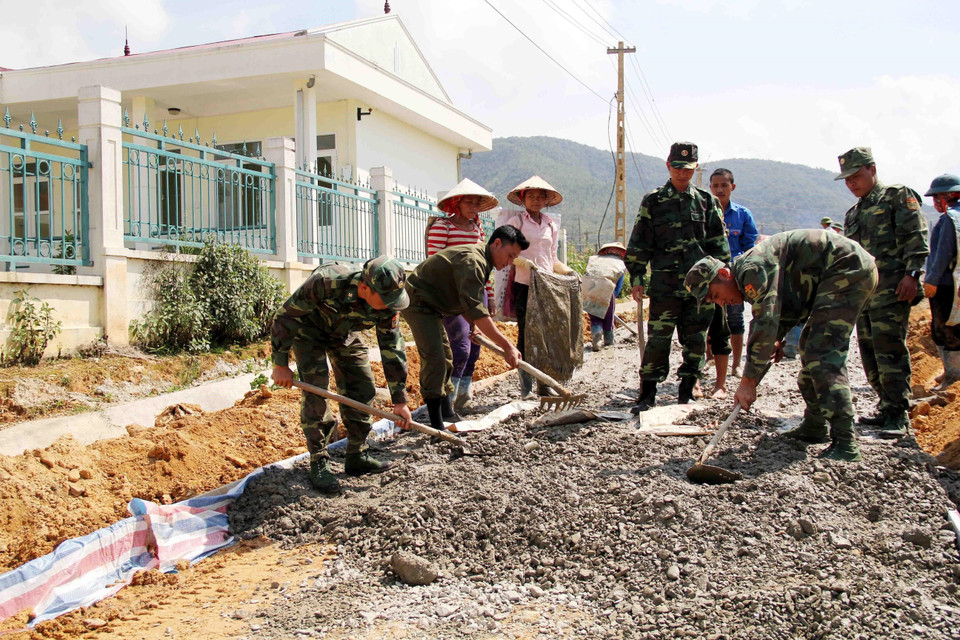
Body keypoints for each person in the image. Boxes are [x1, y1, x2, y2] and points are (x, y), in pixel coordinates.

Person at [684, 230, 879, 462]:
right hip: (840, 272)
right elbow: (786, 304)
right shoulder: (747, 273)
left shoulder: (751, 270)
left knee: (821, 352)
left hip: (847, 268)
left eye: (715, 295)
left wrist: (748, 382)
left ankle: (846, 443)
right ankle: (815, 424)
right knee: (810, 347)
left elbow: (765, 321)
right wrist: (777, 338)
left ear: (724, 274)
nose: (720, 303)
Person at [271, 256, 413, 494]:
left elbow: (392, 348)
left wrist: (400, 401)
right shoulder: (326, 282)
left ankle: (357, 453)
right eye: (387, 299)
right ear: (364, 288)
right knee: (316, 390)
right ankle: (319, 459)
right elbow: (286, 316)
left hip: (344, 334)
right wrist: (280, 364)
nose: (393, 305)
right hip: (308, 333)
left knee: (362, 386)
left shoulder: (389, 305)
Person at [626, 142, 730, 410]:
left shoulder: (706, 202)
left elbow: (719, 246)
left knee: (696, 341)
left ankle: (687, 392)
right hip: (665, 285)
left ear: (696, 168)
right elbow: (640, 242)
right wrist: (637, 278)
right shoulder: (654, 201)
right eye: (678, 168)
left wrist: (721, 282)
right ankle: (648, 394)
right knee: (658, 341)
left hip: (700, 290)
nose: (683, 173)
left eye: (688, 169)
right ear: (668, 166)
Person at [836, 147, 929, 439]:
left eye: (856, 176)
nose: (852, 183)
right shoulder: (854, 213)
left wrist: (912, 275)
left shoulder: (896, 196)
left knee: (890, 350)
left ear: (872, 169)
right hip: (865, 296)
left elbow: (916, 236)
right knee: (870, 353)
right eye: (847, 179)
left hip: (893, 290)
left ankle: (898, 412)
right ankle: (885, 406)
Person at [403, 225, 526, 431]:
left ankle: (446, 413)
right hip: (419, 302)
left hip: (435, 304)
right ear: (497, 244)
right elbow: (478, 311)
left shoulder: (484, 261)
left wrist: (473, 325)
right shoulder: (474, 262)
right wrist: (507, 346)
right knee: (435, 359)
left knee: (446, 357)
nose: (510, 262)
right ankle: (436, 426)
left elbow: (468, 304)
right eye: (510, 255)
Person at [427, 179, 499, 411]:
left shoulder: (477, 228)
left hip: (477, 293)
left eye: (477, 203)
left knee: (476, 345)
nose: (474, 207)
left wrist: (490, 295)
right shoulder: (443, 227)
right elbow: (434, 266)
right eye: (469, 202)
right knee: (460, 348)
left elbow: (482, 267)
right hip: (452, 295)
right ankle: (448, 398)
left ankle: (463, 396)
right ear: (456, 203)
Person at [502, 176, 574, 399]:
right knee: (527, 335)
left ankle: (543, 384)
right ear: (523, 199)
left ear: (546, 200)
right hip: (525, 285)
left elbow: (552, 257)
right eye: (531, 196)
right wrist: (525, 263)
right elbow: (507, 253)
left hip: (547, 286)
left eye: (540, 196)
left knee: (547, 336)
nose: (535, 200)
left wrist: (566, 270)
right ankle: (526, 388)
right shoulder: (516, 222)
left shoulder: (550, 224)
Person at [704, 168, 758, 397]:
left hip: (734, 280)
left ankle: (736, 364)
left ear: (732, 187)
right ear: (710, 187)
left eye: (724, 185)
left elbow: (750, 246)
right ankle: (709, 358)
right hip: (712, 278)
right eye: (715, 185)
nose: (719, 189)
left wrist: (738, 270)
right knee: (709, 320)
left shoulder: (742, 215)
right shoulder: (704, 212)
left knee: (735, 320)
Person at [922, 174, 960, 391]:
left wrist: (932, 279)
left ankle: (953, 377)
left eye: (938, 197)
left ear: (950, 195)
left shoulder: (949, 219)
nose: (936, 202)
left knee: (945, 329)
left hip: (945, 284)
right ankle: (950, 372)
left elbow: (943, 253)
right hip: (956, 282)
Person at [583, 242, 627, 351]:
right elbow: (618, 287)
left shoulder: (595, 260)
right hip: (607, 289)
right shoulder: (620, 264)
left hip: (589, 289)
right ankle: (609, 341)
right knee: (608, 319)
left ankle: (596, 336)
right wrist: (612, 298)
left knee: (595, 318)